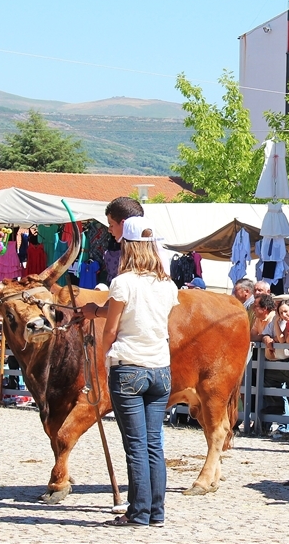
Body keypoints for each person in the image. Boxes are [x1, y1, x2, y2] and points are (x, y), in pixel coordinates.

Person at [96, 216, 179, 528]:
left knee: (135, 445)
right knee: (154, 443)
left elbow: (112, 329)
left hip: (128, 365)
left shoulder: (122, 283)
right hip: (160, 367)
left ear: (128, 246)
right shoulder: (167, 285)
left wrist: (106, 358)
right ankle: (156, 512)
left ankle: (138, 512)